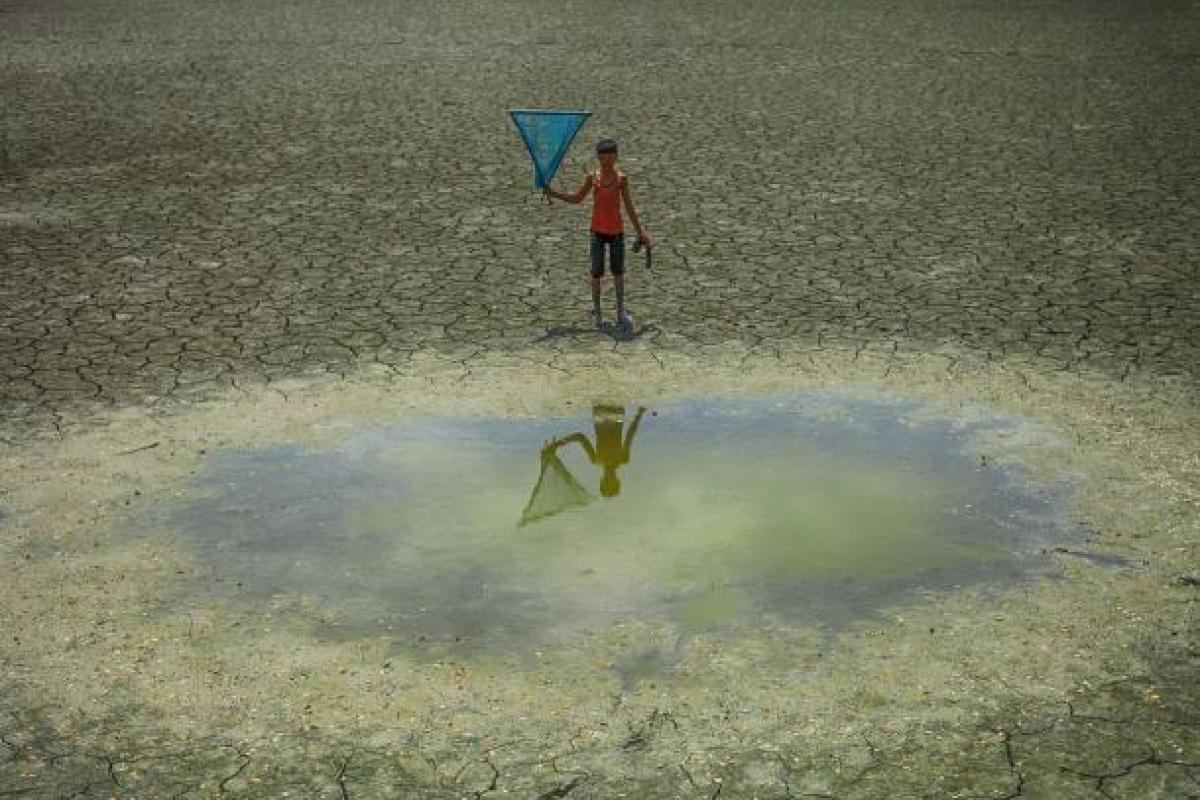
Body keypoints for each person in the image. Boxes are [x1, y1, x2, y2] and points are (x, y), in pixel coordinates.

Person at [544, 138, 651, 331]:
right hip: (597, 232)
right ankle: (598, 314)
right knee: (596, 273)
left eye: (610, 156)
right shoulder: (593, 178)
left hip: (616, 231)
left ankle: (620, 312)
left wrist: (639, 231)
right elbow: (578, 198)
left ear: (615, 156)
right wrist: (554, 193)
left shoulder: (621, 179)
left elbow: (628, 206)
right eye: (603, 156)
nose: (606, 160)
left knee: (618, 272)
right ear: (599, 158)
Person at [548, 404, 647, 497]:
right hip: (602, 414)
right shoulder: (598, 459)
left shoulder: (620, 459)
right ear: (602, 480)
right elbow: (580, 437)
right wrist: (559, 443)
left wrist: (639, 414)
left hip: (614, 414)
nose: (609, 478)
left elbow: (630, 434)